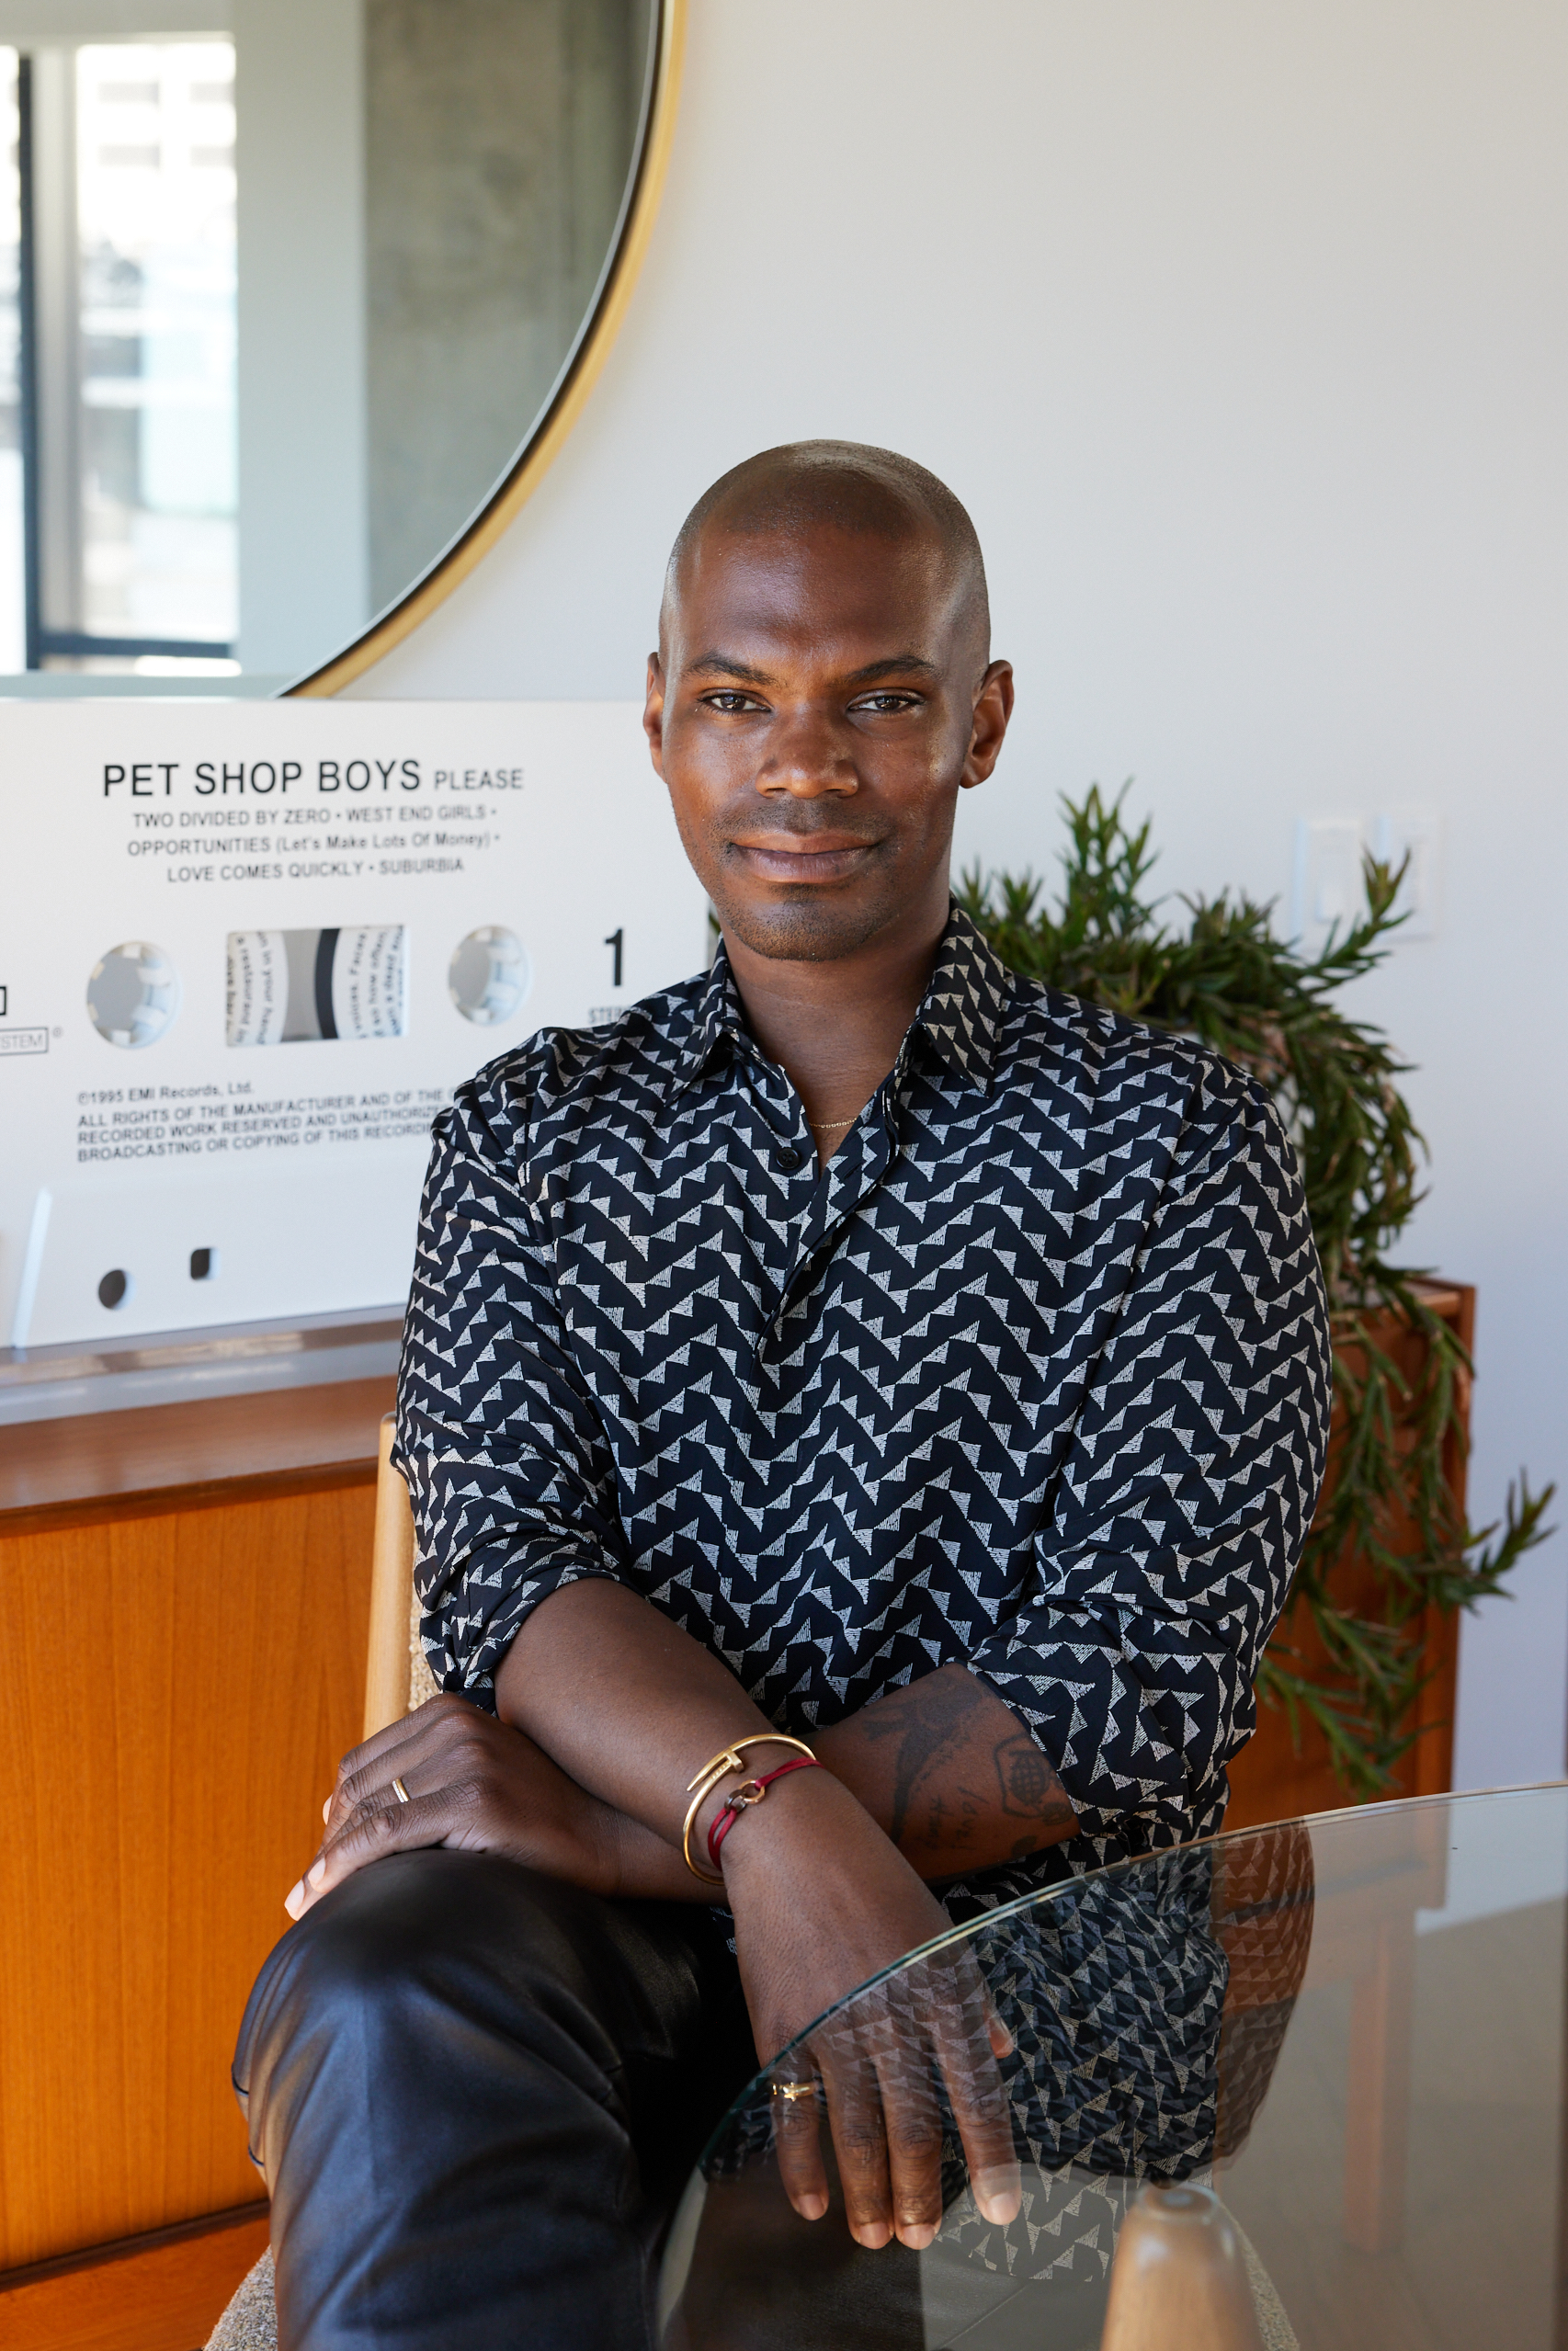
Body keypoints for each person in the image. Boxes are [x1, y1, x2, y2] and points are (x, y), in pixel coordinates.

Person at [233, 441, 1332, 2350]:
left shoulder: (1177, 1145)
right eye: (738, 699)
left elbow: (1130, 1685)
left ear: (978, 722)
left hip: (1019, 1943)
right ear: (660, 722)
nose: (803, 765)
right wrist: (762, 1827)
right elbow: (507, 1582)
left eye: (879, 699)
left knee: (806, 2198)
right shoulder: (528, 1141)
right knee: (389, 1972)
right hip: (612, 1926)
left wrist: (663, 1820)